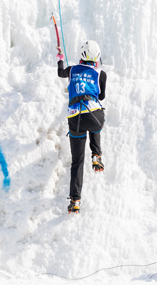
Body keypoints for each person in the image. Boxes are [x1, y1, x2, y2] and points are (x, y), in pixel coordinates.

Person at [57, 40, 107, 214]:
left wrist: (60, 58)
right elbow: (101, 95)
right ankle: (96, 155)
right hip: (93, 116)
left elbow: (60, 72)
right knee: (96, 121)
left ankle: (75, 201)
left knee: (77, 161)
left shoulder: (71, 70)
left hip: (75, 118)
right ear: (97, 57)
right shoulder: (100, 73)